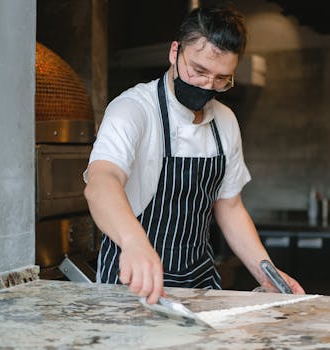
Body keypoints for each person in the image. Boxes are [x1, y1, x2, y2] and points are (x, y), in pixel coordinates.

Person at [83, 5, 304, 304]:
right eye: (199, 71)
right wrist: (135, 243)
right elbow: (101, 182)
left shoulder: (225, 121)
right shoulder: (133, 110)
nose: (207, 85)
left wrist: (266, 272)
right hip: (133, 286)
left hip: (200, 287)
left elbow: (230, 206)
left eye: (222, 78)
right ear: (175, 52)